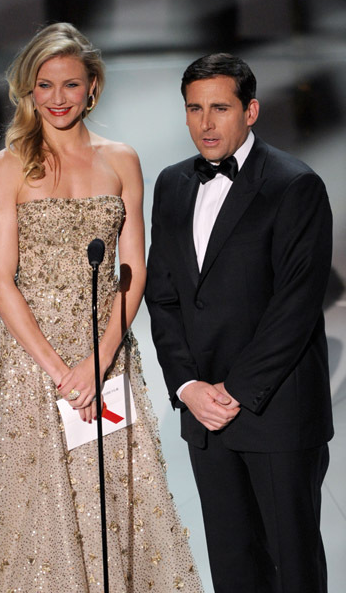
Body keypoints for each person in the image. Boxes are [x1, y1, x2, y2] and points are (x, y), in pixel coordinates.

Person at [0, 23, 204, 592]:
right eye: (45, 85)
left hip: (108, 358)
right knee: (35, 510)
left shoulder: (121, 160)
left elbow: (132, 269)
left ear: (92, 87)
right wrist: (63, 372)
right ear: (28, 90)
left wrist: (99, 359)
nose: (58, 98)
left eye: (71, 84)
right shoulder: (6, 167)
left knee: (113, 494)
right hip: (30, 363)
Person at [145, 52, 333, 593]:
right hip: (204, 417)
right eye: (194, 108)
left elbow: (295, 309)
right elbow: (165, 298)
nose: (205, 123)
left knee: (292, 567)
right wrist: (187, 387)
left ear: (250, 111)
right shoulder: (171, 185)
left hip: (276, 413)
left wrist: (232, 391)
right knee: (233, 568)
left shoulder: (296, 186)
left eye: (220, 108)